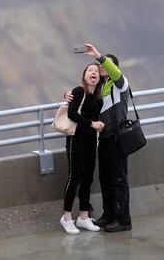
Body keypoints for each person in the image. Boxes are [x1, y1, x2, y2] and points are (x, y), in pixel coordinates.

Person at [64, 43, 132, 232]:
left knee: (119, 180)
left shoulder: (120, 83)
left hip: (117, 138)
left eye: (105, 66)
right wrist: (68, 94)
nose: (102, 68)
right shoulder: (101, 88)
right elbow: (81, 96)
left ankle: (124, 220)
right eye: (100, 66)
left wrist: (99, 56)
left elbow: (113, 71)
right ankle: (109, 215)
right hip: (103, 140)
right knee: (104, 179)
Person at [60, 63, 105, 234]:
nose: (93, 72)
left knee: (87, 179)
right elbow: (72, 114)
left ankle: (84, 217)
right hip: (75, 141)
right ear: (84, 77)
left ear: (99, 78)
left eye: (96, 71)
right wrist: (93, 124)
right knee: (74, 178)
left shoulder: (98, 98)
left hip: (91, 141)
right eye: (89, 71)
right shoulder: (78, 92)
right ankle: (66, 218)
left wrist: (97, 127)